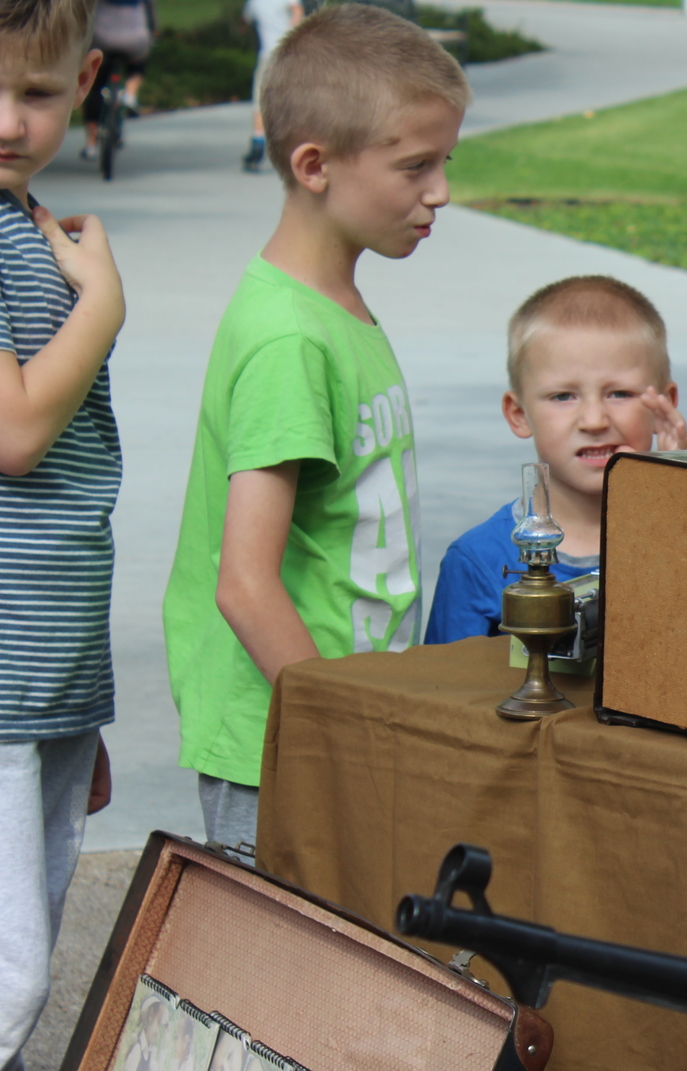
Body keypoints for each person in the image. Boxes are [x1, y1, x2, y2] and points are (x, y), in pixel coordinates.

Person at [163, 5, 469, 852]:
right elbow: (245, 585)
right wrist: (339, 740)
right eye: (415, 167)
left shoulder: (334, 311)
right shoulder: (290, 339)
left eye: (445, 161)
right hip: (283, 746)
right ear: (315, 165)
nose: (439, 191)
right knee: (277, 974)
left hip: (330, 726)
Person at [0, 0, 125, 1071]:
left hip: (39, 683)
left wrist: (74, 710)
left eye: (33, 93)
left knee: (15, 980)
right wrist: (104, 301)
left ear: (84, 80)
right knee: (6, 983)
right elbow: (18, 432)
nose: (6, 120)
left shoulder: (31, 225)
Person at [424, 275, 687, 644]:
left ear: (665, 404)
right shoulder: (478, 561)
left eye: (620, 394)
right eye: (563, 396)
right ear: (518, 414)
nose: (595, 420)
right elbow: (441, 691)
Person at [78, 0, 152, 162]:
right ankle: (130, 95)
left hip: (102, 40)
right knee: (137, 66)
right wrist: (153, 32)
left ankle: (91, 144)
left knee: (96, 88)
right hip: (135, 41)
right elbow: (151, 16)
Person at [241, 0, 302, 173]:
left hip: (268, 55)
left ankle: (257, 145)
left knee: (260, 100)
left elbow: (245, 21)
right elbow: (297, 11)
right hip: (288, 54)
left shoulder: (253, 2)